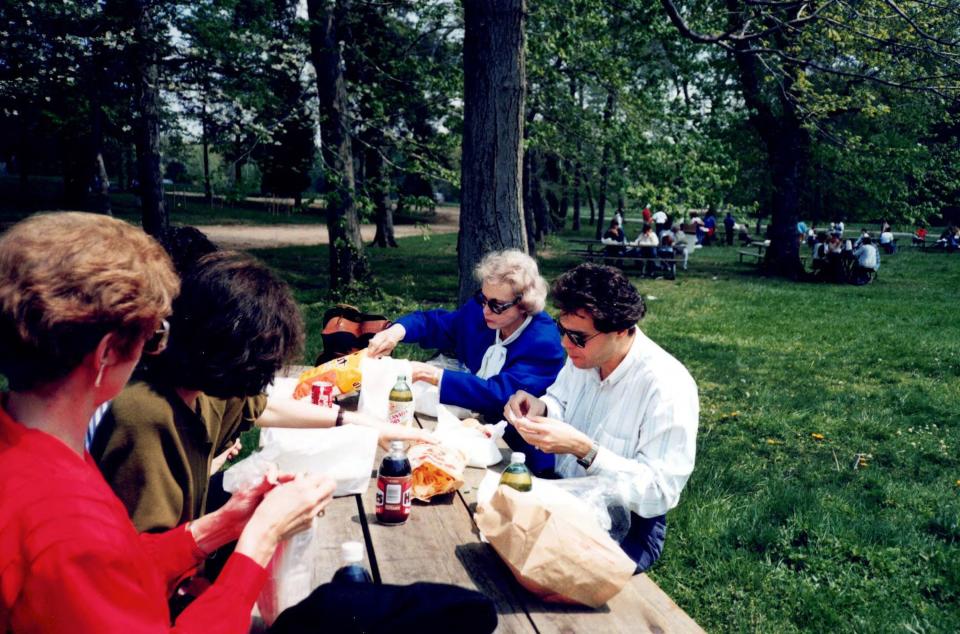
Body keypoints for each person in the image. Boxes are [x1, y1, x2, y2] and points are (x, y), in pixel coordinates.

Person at [0, 212, 336, 633]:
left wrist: (220, 525)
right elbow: (94, 561)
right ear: (106, 355)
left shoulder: (30, 445)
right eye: (154, 336)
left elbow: (120, 572)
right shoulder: (66, 528)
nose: (157, 350)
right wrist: (260, 540)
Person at [90, 250, 433, 535]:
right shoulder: (146, 415)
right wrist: (262, 526)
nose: (262, 378)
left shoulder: (204, 384)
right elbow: (147, 558)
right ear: (225, 346)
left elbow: (268, 408)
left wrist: (371, 426)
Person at [503, 264, 698, 573]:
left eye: (578, 337)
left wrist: (586, 451)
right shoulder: (584, 357)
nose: (566, 344)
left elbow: (659, 493)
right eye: (561, 329)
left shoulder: (666, 386)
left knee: (529, 572)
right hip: (566, 496)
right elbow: (560, 399)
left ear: (621, 329)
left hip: (629, 527)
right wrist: (541, 407)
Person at [367, 250, 565, 475]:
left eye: (497, 305)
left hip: (520, 454)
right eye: (483, 299)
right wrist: (396, 332)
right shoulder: (485, 312)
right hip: (478, 431)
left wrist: (431, 374)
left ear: (524, 304)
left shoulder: (543, 341)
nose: (486, 310)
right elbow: (437, 323)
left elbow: (499, 394)